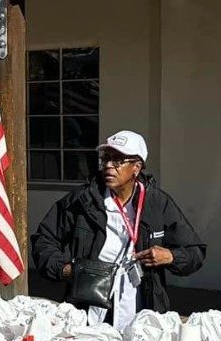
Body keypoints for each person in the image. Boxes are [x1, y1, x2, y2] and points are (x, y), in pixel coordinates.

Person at [31, 128, 205, 330]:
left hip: (142, 309)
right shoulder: (82, 200)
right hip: (88, 309)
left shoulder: (157, 203)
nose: (109, 166)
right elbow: (44, 240)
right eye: (106, 158)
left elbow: (195, 252)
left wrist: (171, 257)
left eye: (118, 160)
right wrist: (64, 269)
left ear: (136, 167)